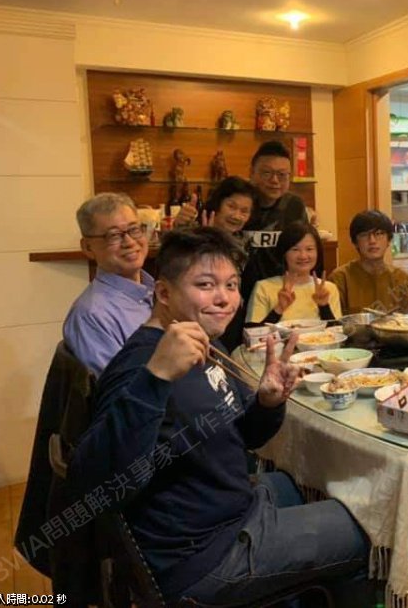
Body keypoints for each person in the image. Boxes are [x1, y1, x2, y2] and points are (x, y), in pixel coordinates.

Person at [66, 227, 372, 606]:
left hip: (230, 506)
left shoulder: (204, 343)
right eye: (206, 284)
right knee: (367, 529)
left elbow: (245, 436)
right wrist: (155, 379)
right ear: (164, 293)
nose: (224, 298)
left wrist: (267, 403)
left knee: (305, 484)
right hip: (203, 556)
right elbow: (92, 482)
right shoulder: (143, 364)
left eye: (231, 285)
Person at [63, 193, 155, 377]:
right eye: (113, 235)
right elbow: (118, 388)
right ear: (88, 247)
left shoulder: (159, 291)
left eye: (134, 229)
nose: (129, 242)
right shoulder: (92, 315)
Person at [240, 140, 309, 302]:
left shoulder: (294, 206)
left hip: (282, 293)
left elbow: (304, 250)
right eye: (267, 173)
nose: (275, 180)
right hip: (239, 292)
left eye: (282, 175)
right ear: (252, 173)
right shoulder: (240, 203)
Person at [246, 221, 341, 324]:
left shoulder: (328, 289)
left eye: (309, 249)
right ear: (284, 253)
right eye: (295, 249)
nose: (303, 256)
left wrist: (324, 307)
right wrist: (279, 309)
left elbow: (337, 331)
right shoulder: (263, 288)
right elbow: (253, 332)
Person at [331, 209, 408, 315]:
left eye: (379, 234)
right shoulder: (340, 278)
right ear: (355, 242)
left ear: (388, 240)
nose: (372, 241)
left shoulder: (401, 278)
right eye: (364, 235)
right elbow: (334, 322)